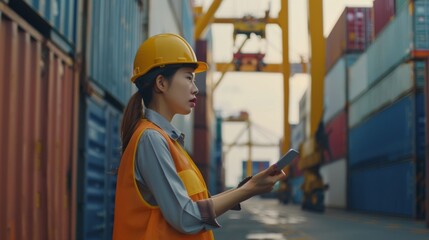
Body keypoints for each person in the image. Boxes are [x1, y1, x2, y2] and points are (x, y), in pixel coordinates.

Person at [113, 33, 286, 240]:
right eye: (188, 77)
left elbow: (194, 204)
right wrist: (248, 190)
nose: (195, 88)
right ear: (161, 83)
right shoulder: (151, 138)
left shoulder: (168, 141)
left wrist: (245, 188)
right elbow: (186, 217)